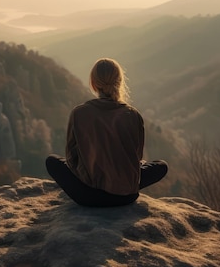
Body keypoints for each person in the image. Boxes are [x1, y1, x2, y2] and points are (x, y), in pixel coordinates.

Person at [46, 58, 168, 207]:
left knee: (52, 162)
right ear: (120, 82)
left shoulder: (79, 113)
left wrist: (90, 169)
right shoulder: (132, 115)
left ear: (93, 83)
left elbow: (72, 158)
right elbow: (136, 157)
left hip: (88, 196)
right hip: (126, 195)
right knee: (161, 166)